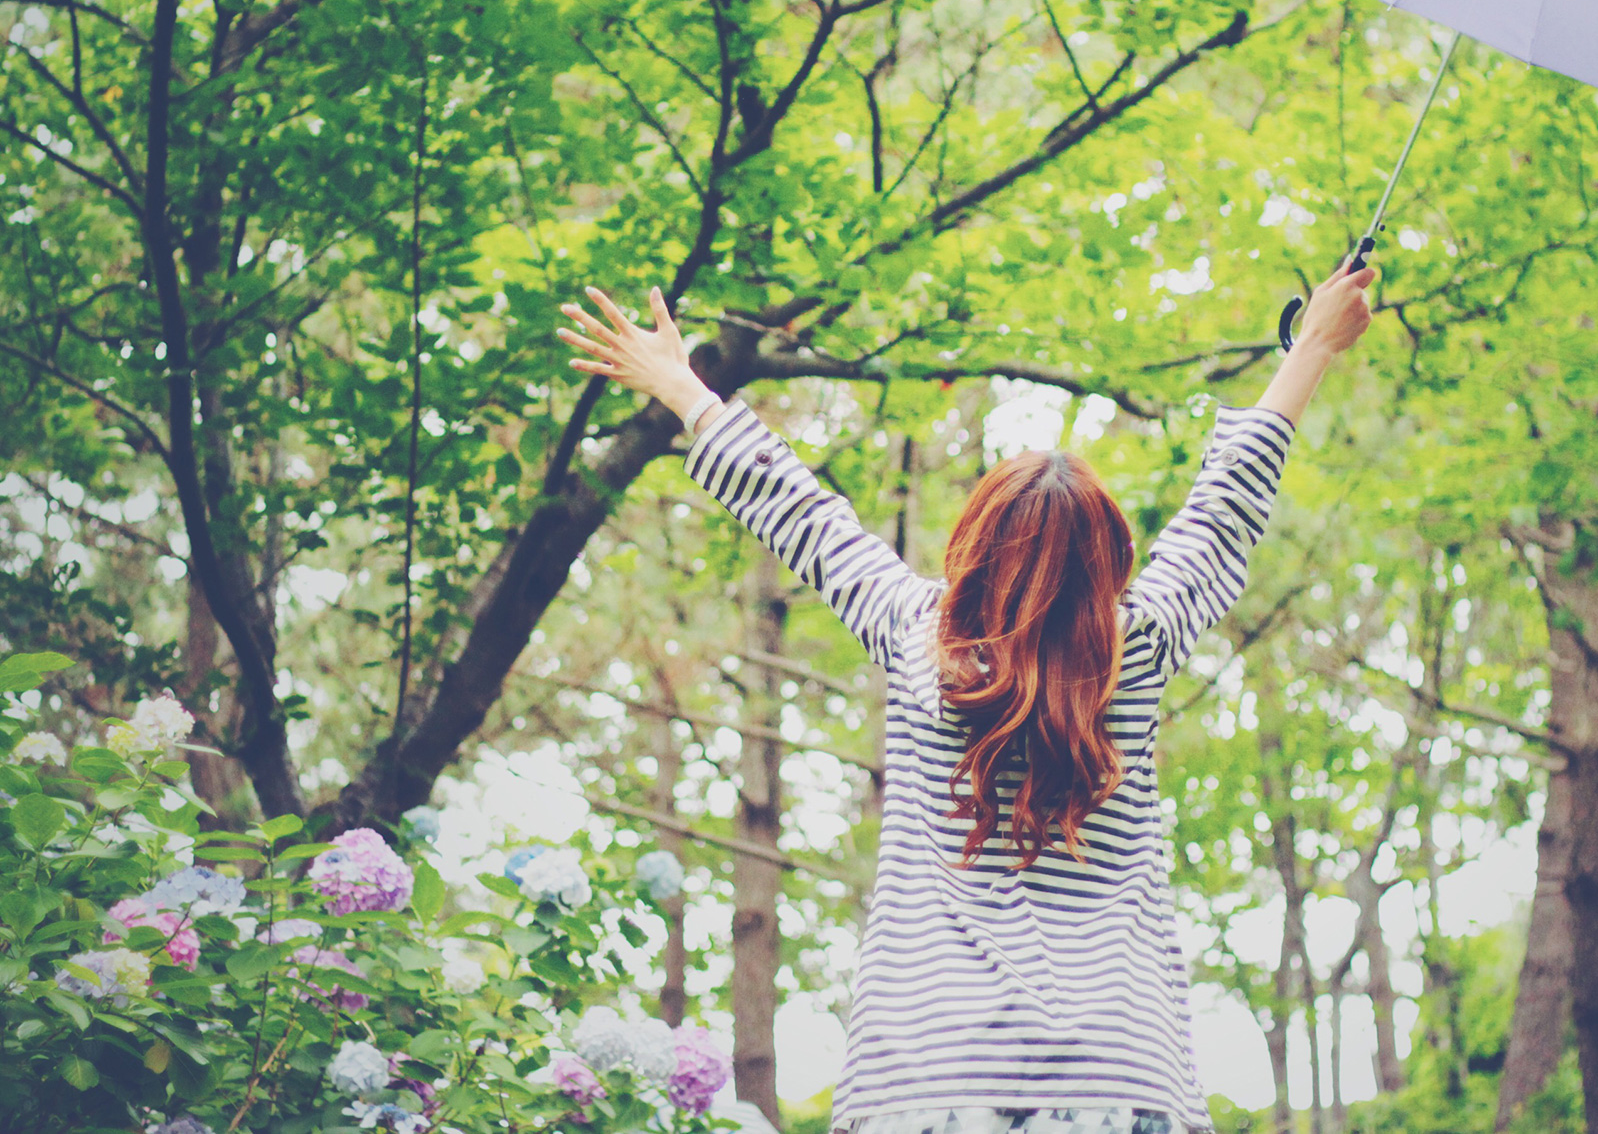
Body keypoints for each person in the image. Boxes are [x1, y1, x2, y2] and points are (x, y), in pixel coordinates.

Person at [556, 266, 1380, 1134]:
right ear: (1107, 562)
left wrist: (682, 384)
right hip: (1117, 1074)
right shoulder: (1139, 648)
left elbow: (794, 506)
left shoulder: (915, 636)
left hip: (922, 1077)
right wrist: (1315, 345)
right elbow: (1226, 507)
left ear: (975, 549)